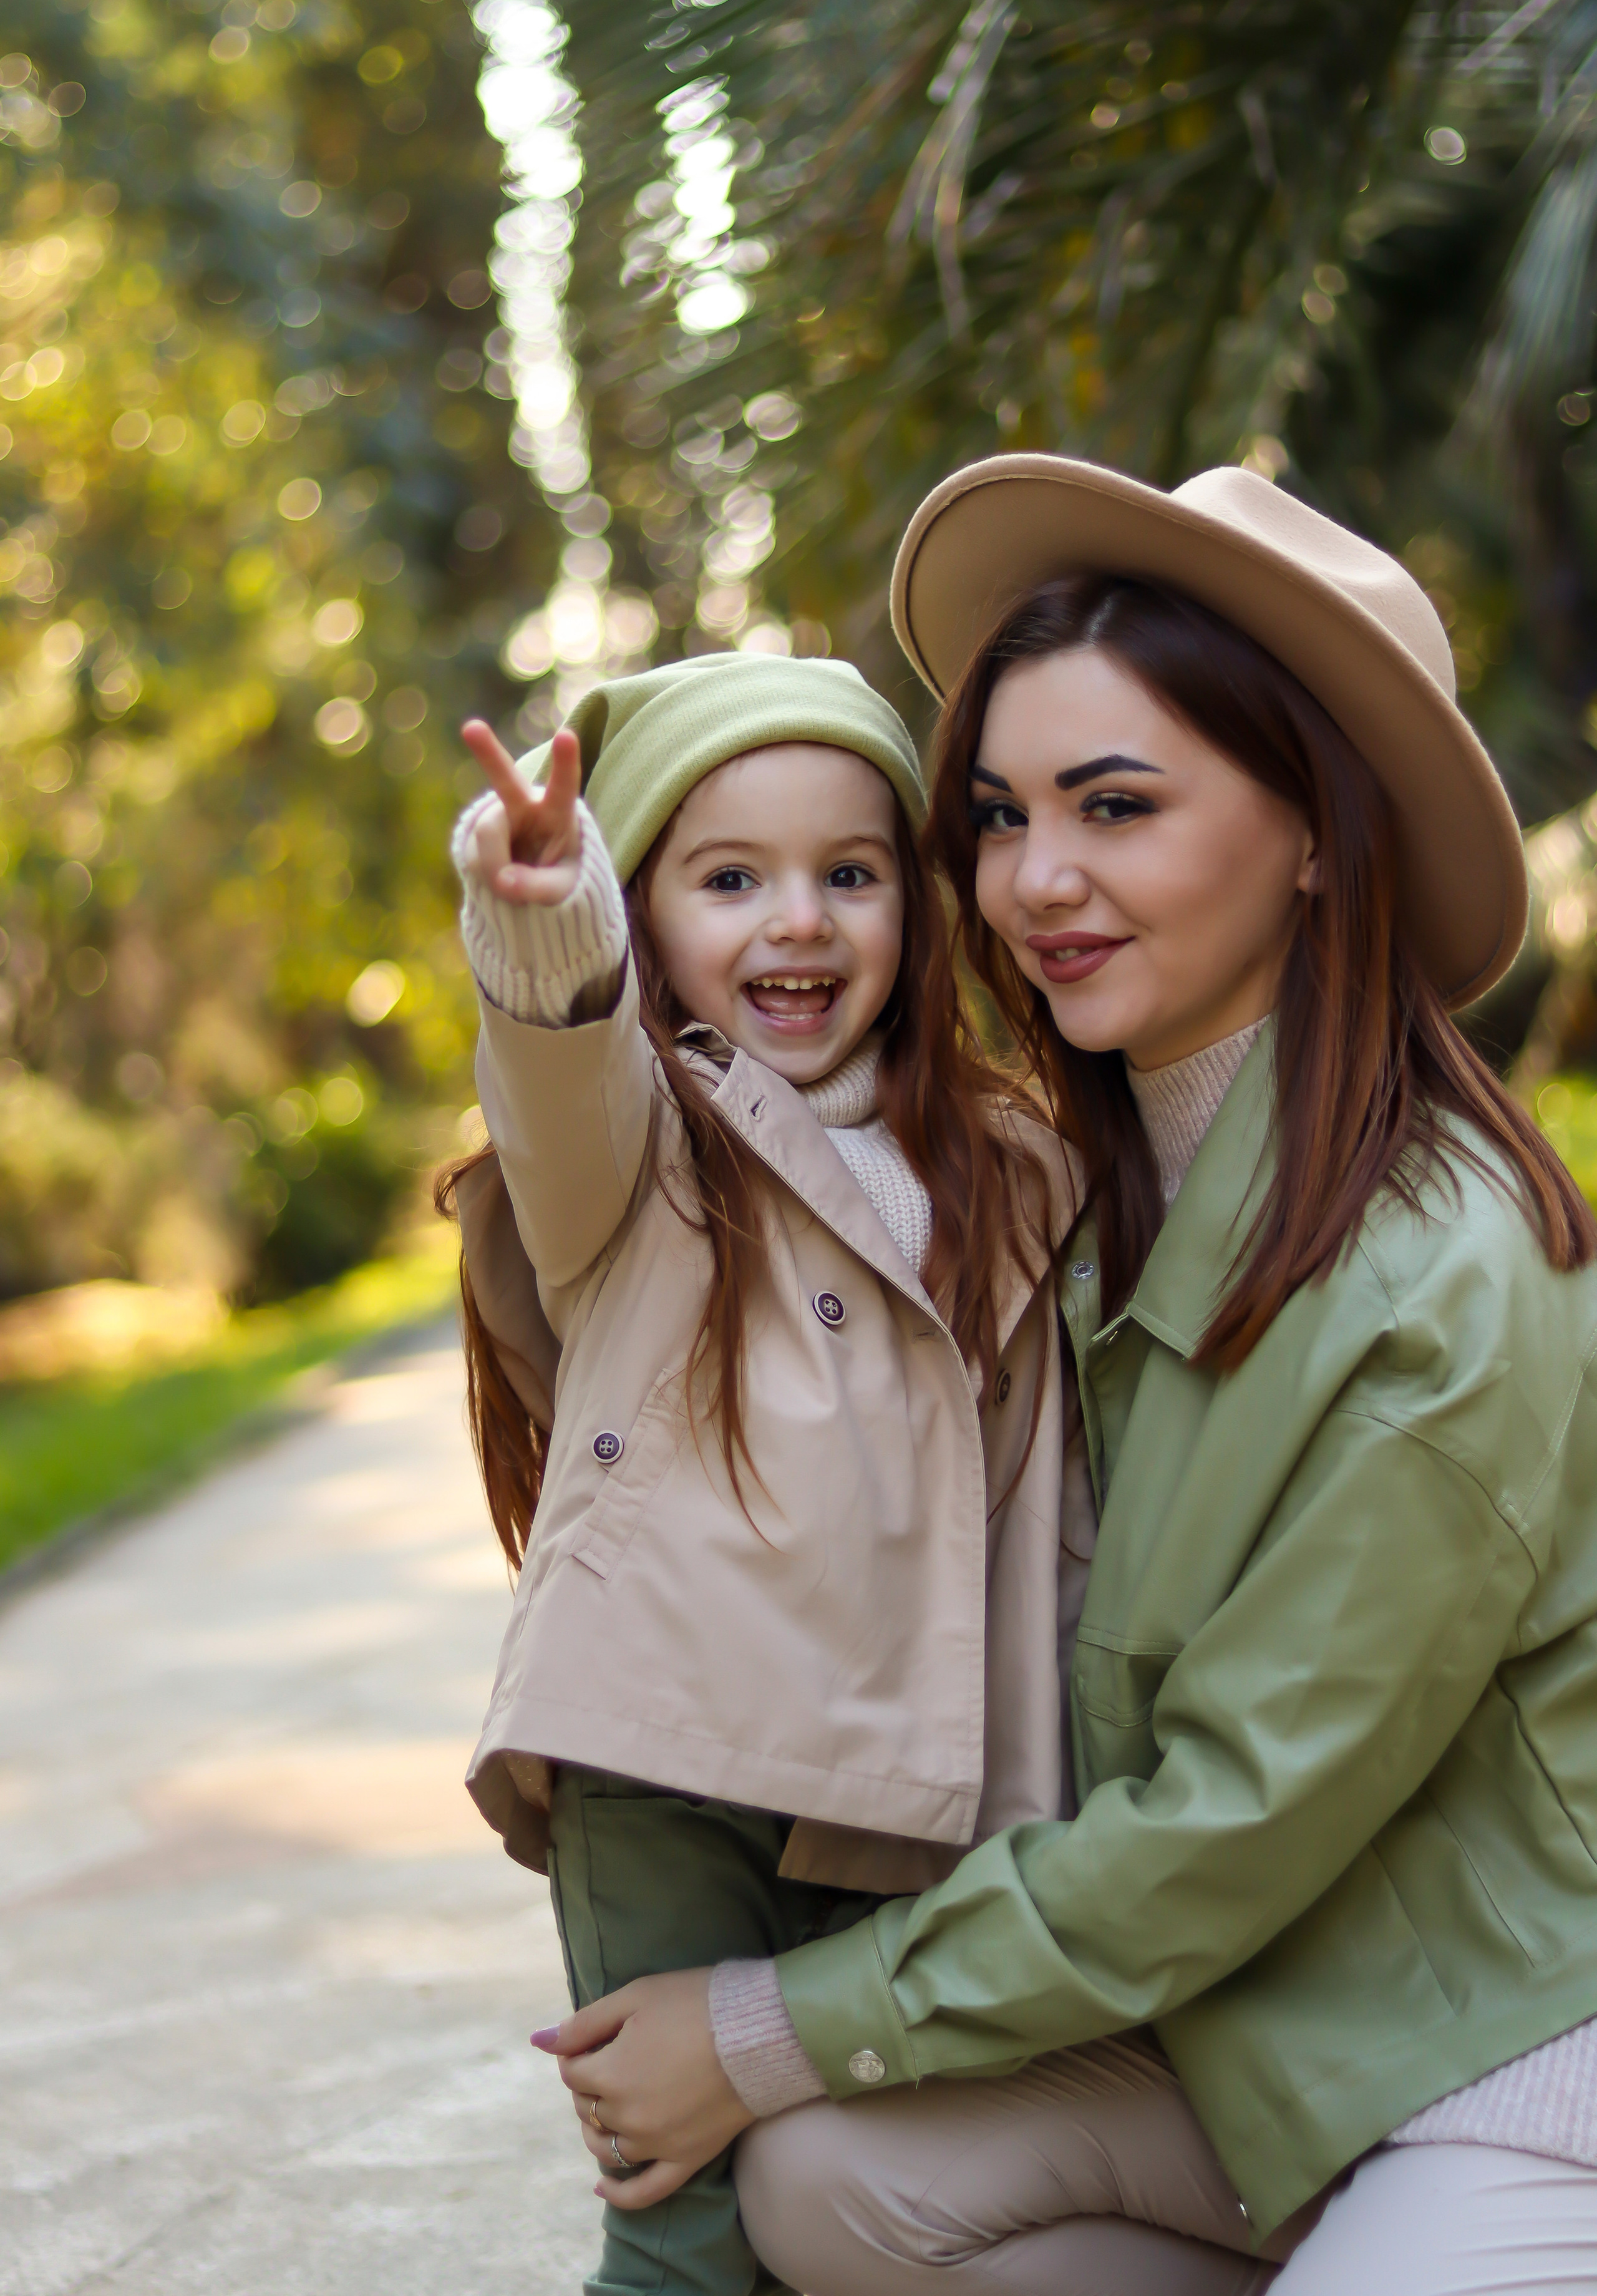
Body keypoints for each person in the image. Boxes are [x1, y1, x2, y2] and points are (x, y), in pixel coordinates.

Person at [534, 461, 1597, 2295]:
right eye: (1003, 814)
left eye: (1117, 807)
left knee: (796, 2095)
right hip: (1245, 2030)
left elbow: (1228, 1820)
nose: (1035, 883)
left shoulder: (1443, 1278)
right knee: (822, 2190)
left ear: (1322, 830)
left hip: (1493, 2049)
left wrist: (771, 2021)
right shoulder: (1064, 1197)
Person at [442, 651, 1080, 2296]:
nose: (798, 921)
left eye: (850, 875)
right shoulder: (643, 1156)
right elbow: (561, 1057)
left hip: (883, 1778)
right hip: (663, 1751)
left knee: (828, 2175)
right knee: (687, 2220)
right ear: (648, 918)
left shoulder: (1004, 1167)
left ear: (915, 913)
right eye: (730, 879)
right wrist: (542, 909)